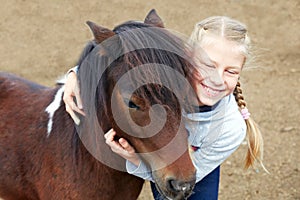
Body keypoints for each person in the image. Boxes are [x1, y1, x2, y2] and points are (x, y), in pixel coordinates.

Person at [63, 16, 265, 199]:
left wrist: (133, 161)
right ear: (186, 57)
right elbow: (129, 61)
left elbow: (184, 182)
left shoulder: (231, 128)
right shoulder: (168, 78)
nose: (216, 79)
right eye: (209, 65)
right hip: (165, 154)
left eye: (230, 71)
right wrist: (75, 75)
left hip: (195, 167)